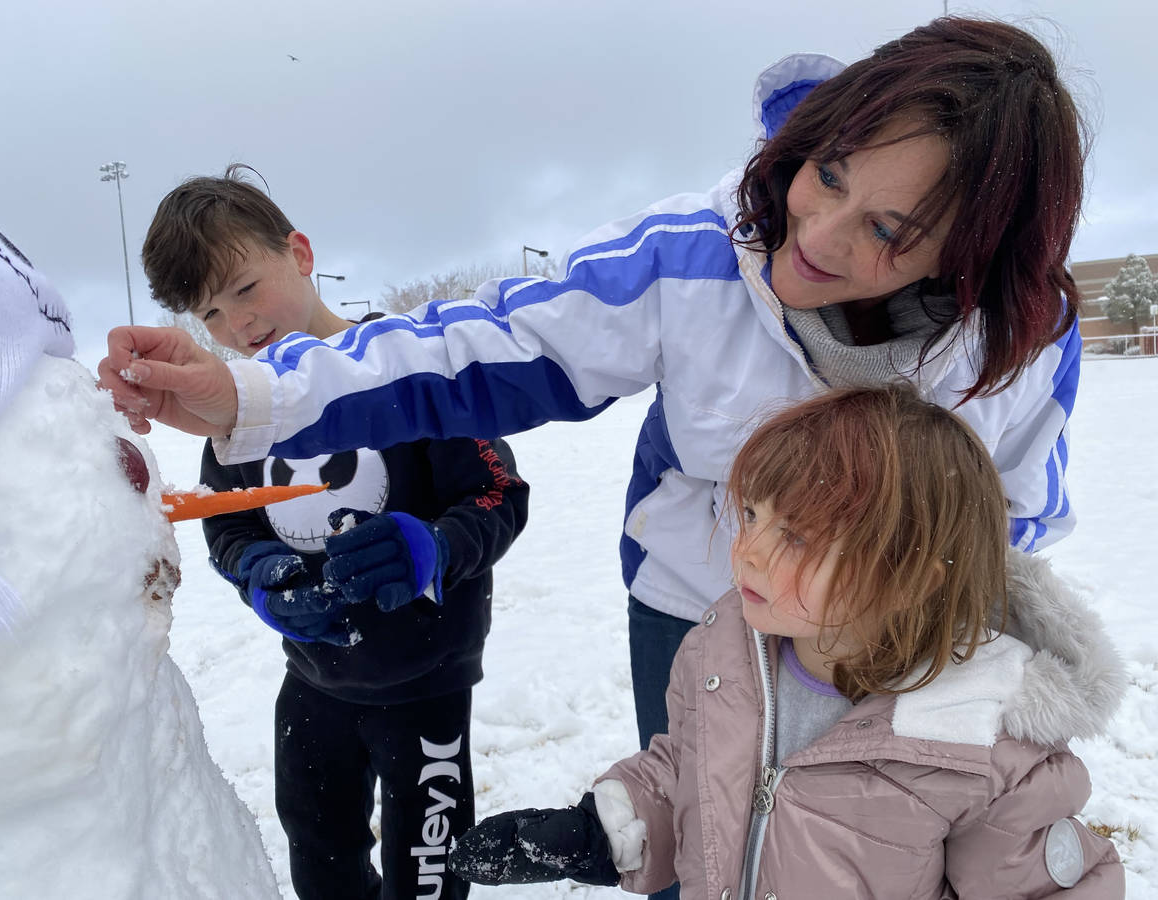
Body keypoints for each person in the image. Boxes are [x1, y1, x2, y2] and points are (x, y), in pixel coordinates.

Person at [101, 16, 1086, 851]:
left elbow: (1013, 515)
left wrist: (885, 620)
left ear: (970, 258)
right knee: (700, 828)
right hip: (700, 601)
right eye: (828, 176)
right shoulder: (698, 255)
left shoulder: (1022, 337)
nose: (818, 236)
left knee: (866, 845)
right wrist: (253, 398)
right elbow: (490, 342)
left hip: (891, 633)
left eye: (890, 231)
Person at [446, 383, 1126, 900]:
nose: (748, 552)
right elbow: (694, 770)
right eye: (751, 514)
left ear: (910, 572)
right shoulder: (727, 654)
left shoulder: (984, 748)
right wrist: (606, 830)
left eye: (797, 536)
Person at [140, 167, 529, 900]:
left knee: (428, 880)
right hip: (314, 686)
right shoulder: (236, 411)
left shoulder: (412, 368)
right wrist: (262, 576)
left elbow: (498, 495)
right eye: (212, 316)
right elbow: (228, 525)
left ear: (301, 253)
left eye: (247, 290)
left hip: (426, 690)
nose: (239, 327)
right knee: (320, 862)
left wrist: (432, 549)